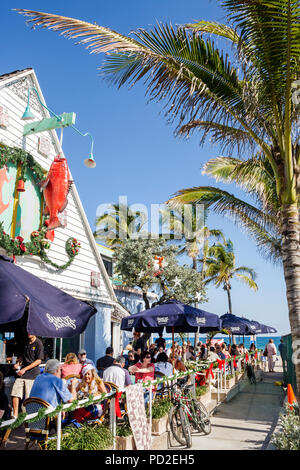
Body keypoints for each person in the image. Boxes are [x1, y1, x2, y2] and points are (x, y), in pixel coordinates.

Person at [11, 333, 44, 419]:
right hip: (22, 373)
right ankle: (15, 415)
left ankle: (29, 417)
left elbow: (39, 361)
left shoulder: (38, 343)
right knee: (15, 393)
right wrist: (18, 363)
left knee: (29, 397)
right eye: (28, 331)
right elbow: (22, 356)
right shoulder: (25, 343)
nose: (29, 333)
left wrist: (25, 369)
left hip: (32, 374)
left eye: (31, 331)